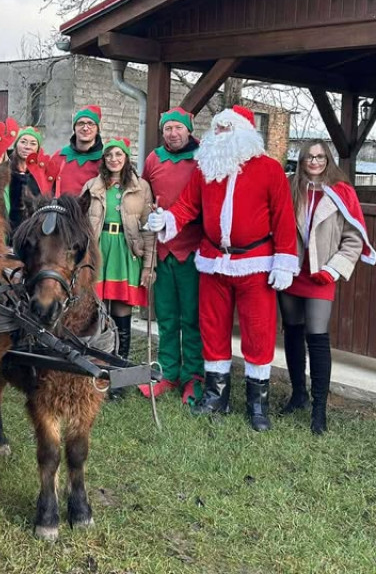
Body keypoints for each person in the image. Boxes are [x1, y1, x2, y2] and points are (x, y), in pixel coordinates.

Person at [147, 105, 297, 432]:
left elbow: (283, 217)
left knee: (258, 331)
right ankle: (216, 395)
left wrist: (285, 260)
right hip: (213, 261)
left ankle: (257, 404)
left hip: (254, 263)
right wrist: (167, 219)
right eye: (217, 129)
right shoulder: (206, 168)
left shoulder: (269, 169)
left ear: (244, 131)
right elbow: (188, 204)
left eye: (228, 129)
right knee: (212, 327)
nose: (221, 135)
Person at [278, 139, 376, 435]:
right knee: (292, 332)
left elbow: (354, 239)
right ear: (302, 159)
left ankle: (319, 409)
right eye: (309, 156)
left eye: (320, 156)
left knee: (317, 336)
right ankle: (298, 395)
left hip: (321, 274)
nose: (315, 161)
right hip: (292, 271)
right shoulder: (289, 188)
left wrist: (333, 269)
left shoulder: (342, 192)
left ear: (328, 159)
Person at [139, 107, 204, 403]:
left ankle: (194, 375)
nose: (172, 133)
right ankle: (167, 371)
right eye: (167, 129)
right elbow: (142, 192)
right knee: (165, 316)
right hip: (162, 250)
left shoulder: (203, 157)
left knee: (191, 316)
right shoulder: (154, 158)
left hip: (192, 249)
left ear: (188, 130)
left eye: (177, 128)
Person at [83, 137, 156, 377]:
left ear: (126, 158)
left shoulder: (140, 187)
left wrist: (148, 266)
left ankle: (121, 369)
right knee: (98, 308)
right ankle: (98, 364)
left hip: (126, 250)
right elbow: (80, 224)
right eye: (109, 155)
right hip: (100, 248)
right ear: (104, 159)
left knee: (122, 308)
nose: (114, 159)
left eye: (119, 155)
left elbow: (148, 227)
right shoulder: (92, 186)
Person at [54, 105, 104, 196]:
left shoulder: (105, 160)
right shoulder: (59, 157)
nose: (85, 128)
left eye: (90, 124)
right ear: (74, 128)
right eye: (80, 123)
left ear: (97, 129)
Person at [5, 126, 44, 230]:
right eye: (23, 142)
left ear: (38, 149)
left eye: (33, 143)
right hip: (7, 230)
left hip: (32, 231)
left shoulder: (41, 176)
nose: (27, 147)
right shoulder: (5, 171)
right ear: (16, 145)